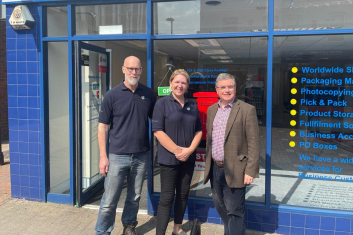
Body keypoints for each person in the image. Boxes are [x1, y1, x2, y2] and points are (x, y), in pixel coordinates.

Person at [95, 56, 156, 235]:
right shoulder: (112, 95)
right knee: (109, 199)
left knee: (135, 196)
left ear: (141, 71)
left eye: (137, 69)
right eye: (130, 69)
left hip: (141, 154)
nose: (133, 72)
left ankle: (129, 226)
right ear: (123, 69)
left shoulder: (148, 93)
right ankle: (102, 231)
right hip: (117, 155)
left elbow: (156, 121)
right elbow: (103, 127)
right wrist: (103, 156)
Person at [203, 73, 260, 235]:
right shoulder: (211, 109)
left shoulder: (247, 110)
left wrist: (250, 170)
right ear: (217, 90)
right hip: (215, 168)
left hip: (237, 168)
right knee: (220, 205)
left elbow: (254, 142)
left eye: (230, 87)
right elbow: (209, 138)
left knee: (235, 210)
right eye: (223, 87)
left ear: (235, 88)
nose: (227, 90)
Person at [152, 69, 202, 235]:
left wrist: (188, 151)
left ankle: (177, 229)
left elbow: (199, 131)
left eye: (183, 82)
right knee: (166, 199)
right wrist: (177, 150)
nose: (180, 85)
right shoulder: (162, 103)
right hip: (168, 159)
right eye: (177, 82)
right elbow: (158, 131)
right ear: (171, 83)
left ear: (187, 85)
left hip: (188, 158)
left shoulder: (192, 105)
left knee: (182, 195)